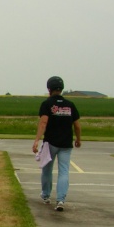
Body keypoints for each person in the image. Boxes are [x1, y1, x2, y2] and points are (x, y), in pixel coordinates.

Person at [32, 76, 82, 212]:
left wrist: (37, 140)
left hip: (50, 143)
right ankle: (60, 199)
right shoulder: (70, 105)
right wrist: (78, 139)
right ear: (61, 89)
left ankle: (46, 195)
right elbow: (77, 125)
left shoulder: (47, 104)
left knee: (47, 170)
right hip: (66, 144)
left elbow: (43, 123)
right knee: (64, 172)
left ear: (49, 89)